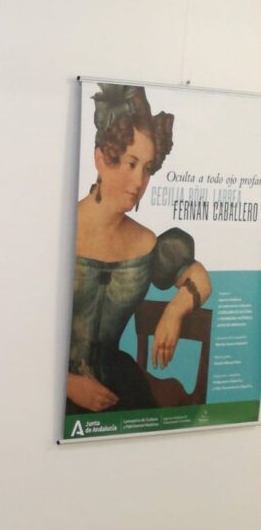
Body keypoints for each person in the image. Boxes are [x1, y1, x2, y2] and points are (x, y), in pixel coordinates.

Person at [67, 84, 211, 414]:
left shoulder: (148, 243)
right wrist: (69, 383)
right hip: (50, 386)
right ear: (101, 158)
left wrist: (175, 311)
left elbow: (200, 277)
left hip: (121, 384)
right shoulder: (59, 230)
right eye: (131, 164)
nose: (138, 183)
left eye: (146, 169)